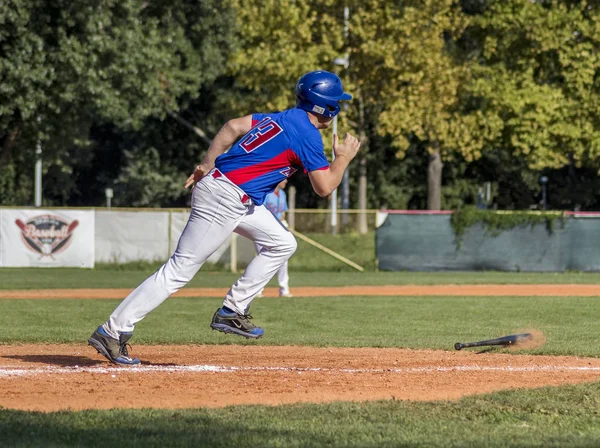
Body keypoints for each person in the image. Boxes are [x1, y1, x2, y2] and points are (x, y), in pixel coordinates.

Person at [88, 70, 361, 365]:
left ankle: (232, 310)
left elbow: (232, 126)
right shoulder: (307, 134)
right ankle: (112, 331)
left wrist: (206, 163)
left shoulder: (281, 117)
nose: (338, 107)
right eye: (336, 101)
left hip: (233, 195)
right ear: (325, 106)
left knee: (282, 243)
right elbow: (324, 187)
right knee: (179, 270)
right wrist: (343, 157)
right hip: (226, 197)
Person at [255, 179, 293, 298]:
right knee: (262, 260)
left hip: (277, 231)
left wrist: (284, 223)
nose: (286, 181)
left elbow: (282, 213)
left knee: (283, 260)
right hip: (263, 230)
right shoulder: (266, 193)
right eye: (284, 179)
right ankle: (257, 290)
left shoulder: (282, 194)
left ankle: (284, 289)